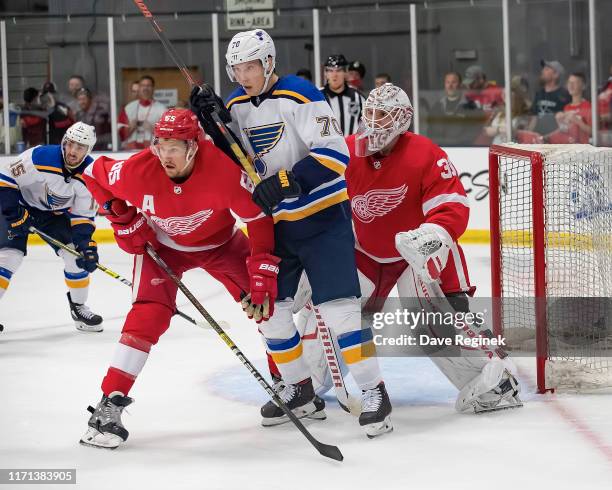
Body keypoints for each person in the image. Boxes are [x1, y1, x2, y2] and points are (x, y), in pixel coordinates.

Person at [190, 29, 392, 438]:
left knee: (339, 312)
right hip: (276, 226)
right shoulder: (236, 102)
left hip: (322, 220)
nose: (243, 75)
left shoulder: (301, 94)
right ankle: (299, 387)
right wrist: (211, 123)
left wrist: (285, 181)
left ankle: (375, 391)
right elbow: (238, 156)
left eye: (250, 67)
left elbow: (335, 155)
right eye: (236, 69)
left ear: (268, 63)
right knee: (272, 313)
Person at [300, 83, 522, 414]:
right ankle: (305, 383)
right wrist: (309, 257)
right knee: (334, 313)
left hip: (414, 259)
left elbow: (453, 206)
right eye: (370, 114)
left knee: (434, 323)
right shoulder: (346, 152)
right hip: (364, 254)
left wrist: (430, 235)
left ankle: (496, 383)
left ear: (403, 120)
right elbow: (312, 202)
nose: (374, 123)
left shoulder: (425, 153)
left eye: (384, 116)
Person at [79, 108, 277, 449]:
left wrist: (261, 273)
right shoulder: (138, 169)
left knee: (268, 304)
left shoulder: (224, 171)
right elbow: (92, 172)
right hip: (164, 249)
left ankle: (287, 382)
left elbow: (258, 219)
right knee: (147, 316)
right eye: (161, 144)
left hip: (223, 245)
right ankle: (108, 405)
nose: (165, 154)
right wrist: (122, 217)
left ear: (194, 146)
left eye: (174, 147)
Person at [0, 122, 103, 332]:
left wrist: (86, 245)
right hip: (19, 206)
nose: (73, 151)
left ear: (88, 150)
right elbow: (5, 178)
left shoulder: (90, 176)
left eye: (80, 147)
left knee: (76, 256)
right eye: (71, 144)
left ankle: (79, 308)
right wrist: (14, 213)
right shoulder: (40, 157)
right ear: (64, 142)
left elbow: (83, 217)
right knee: (10, 257)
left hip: (51, 216)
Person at [428, 71, 483, 146]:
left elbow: (474, 131)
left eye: (454, 82)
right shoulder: (437, 106)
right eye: (447, 82)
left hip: (462, 149)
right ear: (445, 85)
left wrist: (457, 143)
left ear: (460, 85)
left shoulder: (471, 106)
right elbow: (430, 131)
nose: (450, 86)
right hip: (439, 148)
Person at [118, 75, 167, 150]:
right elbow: (118, 136)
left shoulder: (162, 109)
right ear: (139, 88)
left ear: (153, 88)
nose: (145, 88)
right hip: (130, 151)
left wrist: (154, 129)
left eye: (148, 85)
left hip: (152, 151)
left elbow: (168, 135)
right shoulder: (128, 108)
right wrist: (129, 128)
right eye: (143, 85)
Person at [320, 54, 365, 136]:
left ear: (345, 73)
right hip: (328, 148)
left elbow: (366, 127)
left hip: (352, 147)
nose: (334, 75)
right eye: (330, 70)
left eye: (338, 70)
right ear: (325, 74)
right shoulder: (317, 97)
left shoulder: (358, 97)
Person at [528, 60, 571, 135]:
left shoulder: (565, 95)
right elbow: (534, 117)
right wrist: (529, 135)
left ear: (555, 74)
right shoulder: (539, 93)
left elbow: (567, 122)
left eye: (547, 69)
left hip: (556, 141)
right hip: (539, 140)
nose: (542, 71)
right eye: (543, 69)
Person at [548, 72, 592, 144]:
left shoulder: (589, 106)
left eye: (575, 83)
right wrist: (559, 121)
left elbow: (594, 133)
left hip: (584, 149)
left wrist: (578, 121)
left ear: (583, 86)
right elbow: (566, 131)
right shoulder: (567, 107)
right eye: (569, 83)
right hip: (570, 148)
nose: (571, 86)